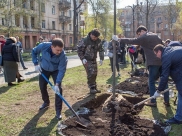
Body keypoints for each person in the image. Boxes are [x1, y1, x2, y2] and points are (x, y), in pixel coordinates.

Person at [117, 25, 169, 107]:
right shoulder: (155, 35)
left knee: (151, 82)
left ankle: (153, 101)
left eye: (138, 34)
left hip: (153, 63)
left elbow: (133, 40)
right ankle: (167, 100)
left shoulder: (145, 36)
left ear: (142, 31)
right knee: (164, 80)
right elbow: (163, 45)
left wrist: (120, 39)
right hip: (162, 61)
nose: (139, 36)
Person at [32, 38, 67, 120]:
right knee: (42, 86)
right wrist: (36, 63)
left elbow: (62, 70)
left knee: (58, 90)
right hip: (44, 69)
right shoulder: (43, 46)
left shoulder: (62, 55)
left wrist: (57, 83)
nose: (59, 52)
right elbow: (34, 51)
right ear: (52, 47)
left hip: (56, 70)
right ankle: (46, 102)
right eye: (57, 50)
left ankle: (58, 111)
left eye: (60, 50)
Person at [153, 44, 182, 124]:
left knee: (181, 95)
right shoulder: (171, 50)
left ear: (159, 51)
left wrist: (159, 91)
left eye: (156, 54)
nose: (157, 56)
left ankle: (178, 118)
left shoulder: (165, 56)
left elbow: (164, 75)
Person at [77, 28, 104, 94]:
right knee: (90, 73)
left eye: (96, 37)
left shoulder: (98, 41)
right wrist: (82, 58)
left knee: (95, 73)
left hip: (93, 59)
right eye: (94, 37)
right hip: (86, 60)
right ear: (91, 34)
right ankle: (91, 88)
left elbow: (101, 50)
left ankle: (94, 87)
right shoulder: (85, 40)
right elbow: (79, 50)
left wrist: (101, 58)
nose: (94, 38)